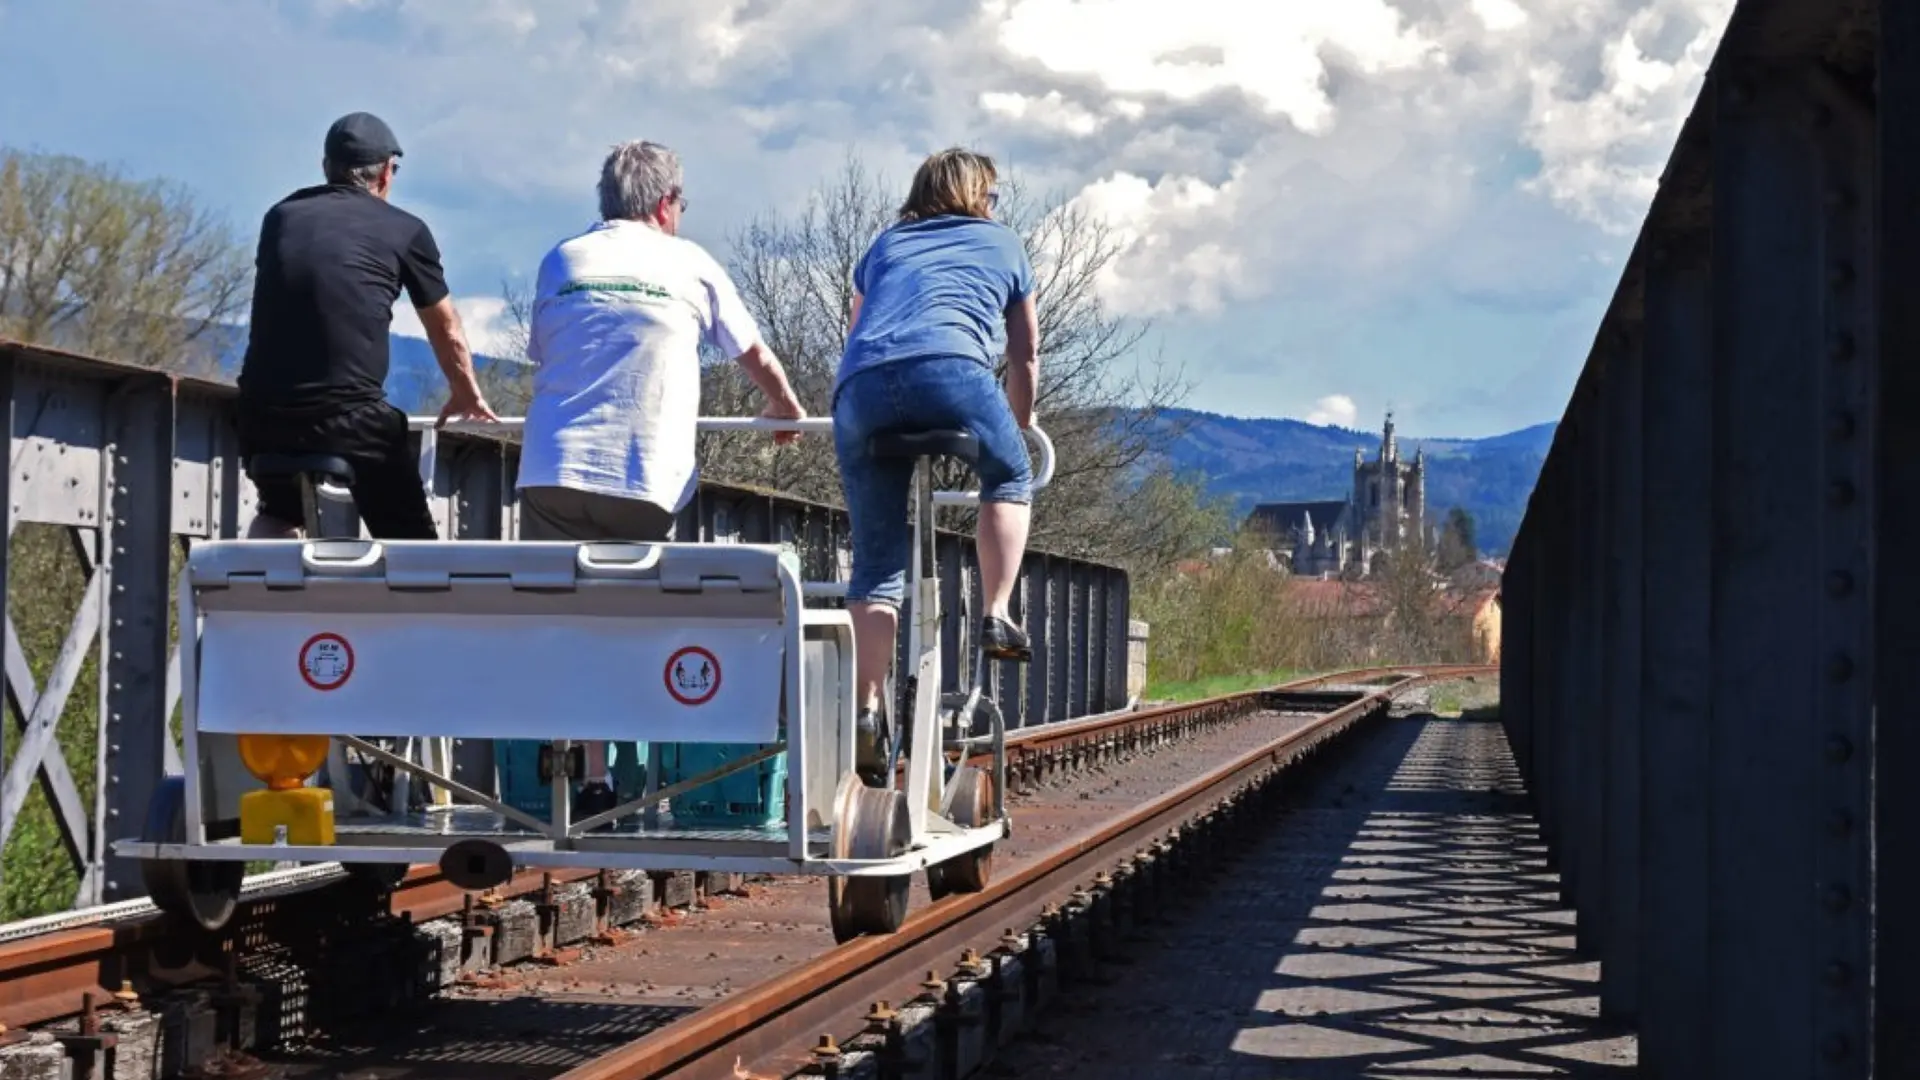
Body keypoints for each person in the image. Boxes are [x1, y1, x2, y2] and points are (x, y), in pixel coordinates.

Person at [516, 139, 807, 815]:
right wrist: (784, 406)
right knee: (627, 620)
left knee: (564, 620)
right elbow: (752, 352)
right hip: (644, 473)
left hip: (553, 465)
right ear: (668, 204)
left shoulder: (562, 257)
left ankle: (579, 770)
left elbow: (543, 349)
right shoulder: (691, 263)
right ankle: (624, 775)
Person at [832, 147, 1040, 776]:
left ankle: (867, 706)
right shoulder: (1003, 244)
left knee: (875, 562)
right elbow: (1024, 353)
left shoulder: (886, 244)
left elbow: (858, 329)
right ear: (982, 195)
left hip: (861, 387)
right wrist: (1018, 425)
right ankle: (997, 614)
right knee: (1009, 474)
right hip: (952, 370)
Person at [236, 111, 498, 540]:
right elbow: (445, 326)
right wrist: (465, 392)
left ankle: (256, 596)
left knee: (279, 512)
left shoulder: (280, 216)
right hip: (352, 420)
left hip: (262, 414)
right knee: (409, 541)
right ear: (386, 174)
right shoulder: (406, 230)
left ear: (326, 168)